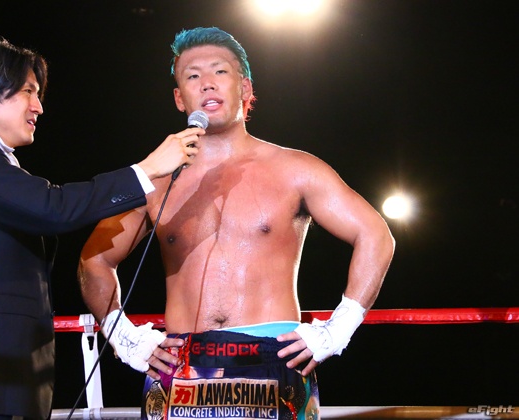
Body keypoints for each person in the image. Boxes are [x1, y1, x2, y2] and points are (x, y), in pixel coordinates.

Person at [78, 27, 395, 420]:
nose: (207, 83)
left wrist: (338, 330)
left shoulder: (295, 169)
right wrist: (123, 336)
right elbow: (94, 260)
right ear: (179, 98)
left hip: (275, 354)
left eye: (219, 71)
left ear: (245, 88)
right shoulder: (154, 180)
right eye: (193, 76)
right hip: (179, 361)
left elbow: (375, 234)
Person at [0, 37, 203, 419]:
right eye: (28, 91)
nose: (38, 106)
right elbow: (54, 207)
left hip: (4, 382)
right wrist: (147, 169)